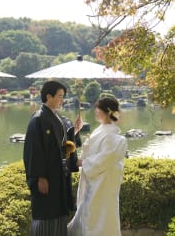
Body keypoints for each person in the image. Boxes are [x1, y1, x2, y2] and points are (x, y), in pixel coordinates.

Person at [23, 80, 82, 236]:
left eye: (63, 96)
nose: (62, 100)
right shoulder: (38, 119)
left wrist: (74, 131)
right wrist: (39, 176)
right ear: (49, 96)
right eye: (60, 96)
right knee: (46, 215)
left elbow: (62, 145)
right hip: (47, 177)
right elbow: (33, 150)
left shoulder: (57, 118)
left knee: (58, 214)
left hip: (58, 176)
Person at [67, 97, 128, 236]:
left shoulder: (114, 136)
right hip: (94, 180)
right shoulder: (101, 130)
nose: (95, 111)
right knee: (92, 215)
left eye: (98, 109)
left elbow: (105, 158)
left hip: (104, 182)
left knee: (102, 217)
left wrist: (83, 162)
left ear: (107, 112)